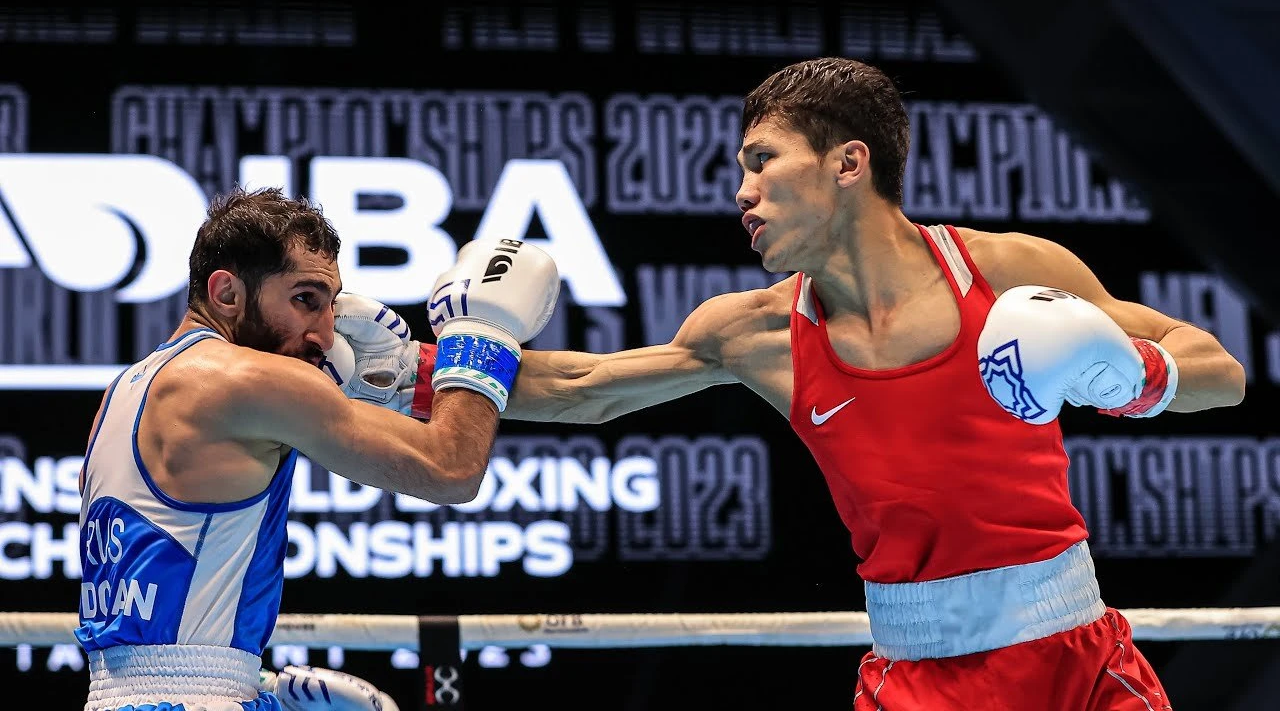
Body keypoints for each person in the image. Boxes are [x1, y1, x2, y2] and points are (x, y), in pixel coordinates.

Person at [338, 57, 1245, 710]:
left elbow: (1223, 374)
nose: (742, 191)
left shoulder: (1003, 272)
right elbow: (587, 385)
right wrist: (408, 371)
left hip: (1078, 659)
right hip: (918, 676)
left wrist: (1131, 375)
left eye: (761, 160)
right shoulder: (755, 331)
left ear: (848, 163)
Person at [75, 187, 560, 711]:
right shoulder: (249, 378)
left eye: (331, 304)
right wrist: (480, 337)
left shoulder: (123, 392)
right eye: (305, 299)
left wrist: (247, 686)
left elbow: (159, 616)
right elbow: (452, 469)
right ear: (227, 293)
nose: (327, 336)